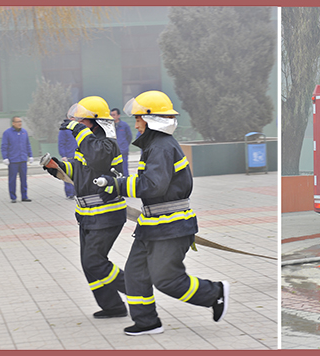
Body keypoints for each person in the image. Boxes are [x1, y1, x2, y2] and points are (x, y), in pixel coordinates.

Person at [97, 90, 229, 336]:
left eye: (139, 119)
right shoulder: (155, 145)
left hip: (171, 227)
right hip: (153, 225)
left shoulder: (162, 146)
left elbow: (153, 185)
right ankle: (147, 322)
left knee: (167, 279)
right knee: (135, 275)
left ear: (152, 120)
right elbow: (149, 183)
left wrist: (118, 184)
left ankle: (215, 293)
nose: (135, 124)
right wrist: (118, 183)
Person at [43, 96, 129, 320]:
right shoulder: (88, 143)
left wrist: (78, 130)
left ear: (95, 121)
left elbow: (98, 158)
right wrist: (59, 168)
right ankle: (113, 307)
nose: (78, 125)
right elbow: (82, 172)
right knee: (89, 264)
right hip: (88, 216)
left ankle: (137, 288)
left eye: (82, 121)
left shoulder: (106, 143)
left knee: (94, 261)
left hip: (106, 215)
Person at [1, 116, 33, 203]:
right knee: (12, 179)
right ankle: (13, 197)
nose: (20, 123)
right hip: (13, 160)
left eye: (20, 121)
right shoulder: (7, 133)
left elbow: (27, 144)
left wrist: (30, 155)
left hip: (22, 159)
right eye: (17, 122)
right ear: (13, 123)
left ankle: (24, 196)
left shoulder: (24, 132)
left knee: (24, 179)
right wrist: (5, 158)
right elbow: (4, 146)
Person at [57, 116, 77, 200]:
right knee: (68, 175)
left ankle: (76, 192)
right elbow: (61, 143)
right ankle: (70, 193)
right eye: (72, 117)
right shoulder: (64, 129)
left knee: (78, 175)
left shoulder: (77, 127)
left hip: (78, 155)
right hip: (69, 155)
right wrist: (63, 155)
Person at [112, 108, 133, 174]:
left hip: (123, 151)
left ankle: (126, 182)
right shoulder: (110, 126)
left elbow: (129, 137)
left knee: (124, 169)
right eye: (111, 115)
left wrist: (125, 145)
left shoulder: (124, 125)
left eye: (114, 115)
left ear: (118, 115)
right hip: (113, 152)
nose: (112, 116)